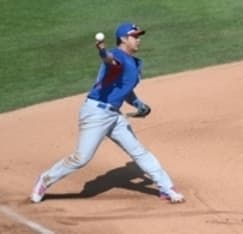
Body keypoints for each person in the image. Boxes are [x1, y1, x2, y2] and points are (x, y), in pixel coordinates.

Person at [31, 22, 184, 204]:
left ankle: (167, 188)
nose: (138, 40)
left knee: (139, 151)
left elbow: (124, 89)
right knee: (81, 159)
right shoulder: (118, 57)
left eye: (139, 36)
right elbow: (109, 60)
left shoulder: (134, 62)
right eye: (135, 36)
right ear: (123, 39)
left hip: (114, 115)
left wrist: (138, 104)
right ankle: (45, 179)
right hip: (96, 113)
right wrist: (102, 50)